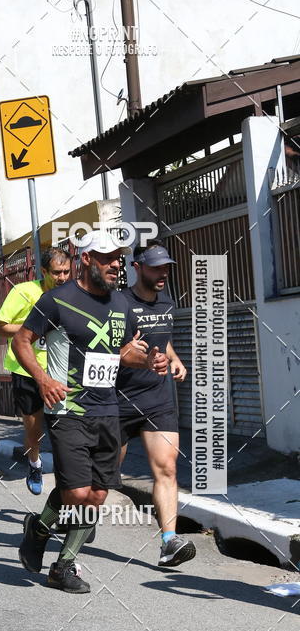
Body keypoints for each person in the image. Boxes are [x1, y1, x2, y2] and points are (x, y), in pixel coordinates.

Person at [13, 231, 168, 593]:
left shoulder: (121, 304)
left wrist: (150, 360)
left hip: (109, 409)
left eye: (119, 257)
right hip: (68, 408)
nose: (116, 264)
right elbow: (21, 340)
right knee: (76, 493)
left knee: (97, 495)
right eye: (107, 257)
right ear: (86, 259)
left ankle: (51, 549)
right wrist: (42, 380)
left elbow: (123, 351)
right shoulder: (56, 301)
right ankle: (51, 548)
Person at [117, 241, 196, 568]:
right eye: (156, 267)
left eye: (166, 267)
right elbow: (112, 349)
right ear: (137, 268)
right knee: (101, 480)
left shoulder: (166, 300)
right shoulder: (118, 302)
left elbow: (163, 339)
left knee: (166, 468)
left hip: (157, 400)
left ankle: (168, 542)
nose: (163, 273)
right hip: (117, 399)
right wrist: (135, 355)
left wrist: (174, 359)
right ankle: (58, 524)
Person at [0, 246, 72, 495]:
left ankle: (69, 480)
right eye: (57, 273)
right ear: (43, 271)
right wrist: (35, 327)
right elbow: (1, 327)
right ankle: (35, 463)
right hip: (26, 370)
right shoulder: (24, 291)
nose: (62, 278)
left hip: (60, 371)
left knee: (65, 430)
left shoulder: (71, 294)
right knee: (34, 429)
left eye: (66, 272)